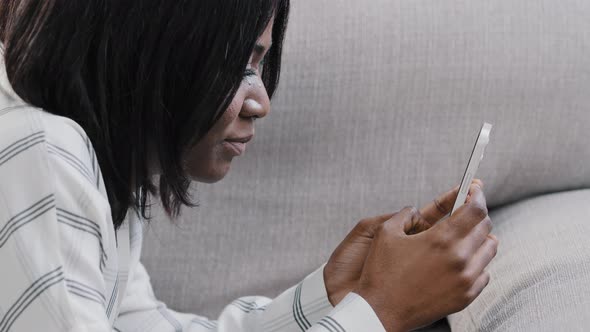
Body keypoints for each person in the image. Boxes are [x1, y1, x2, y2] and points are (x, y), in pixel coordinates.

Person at [0, 1, 498, 331]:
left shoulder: (98, 181)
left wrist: (335, 294)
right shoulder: (41, 152)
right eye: (239, 65)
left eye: (258, 66)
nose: (261, 102)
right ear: (149, 49)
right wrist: (380, 311)